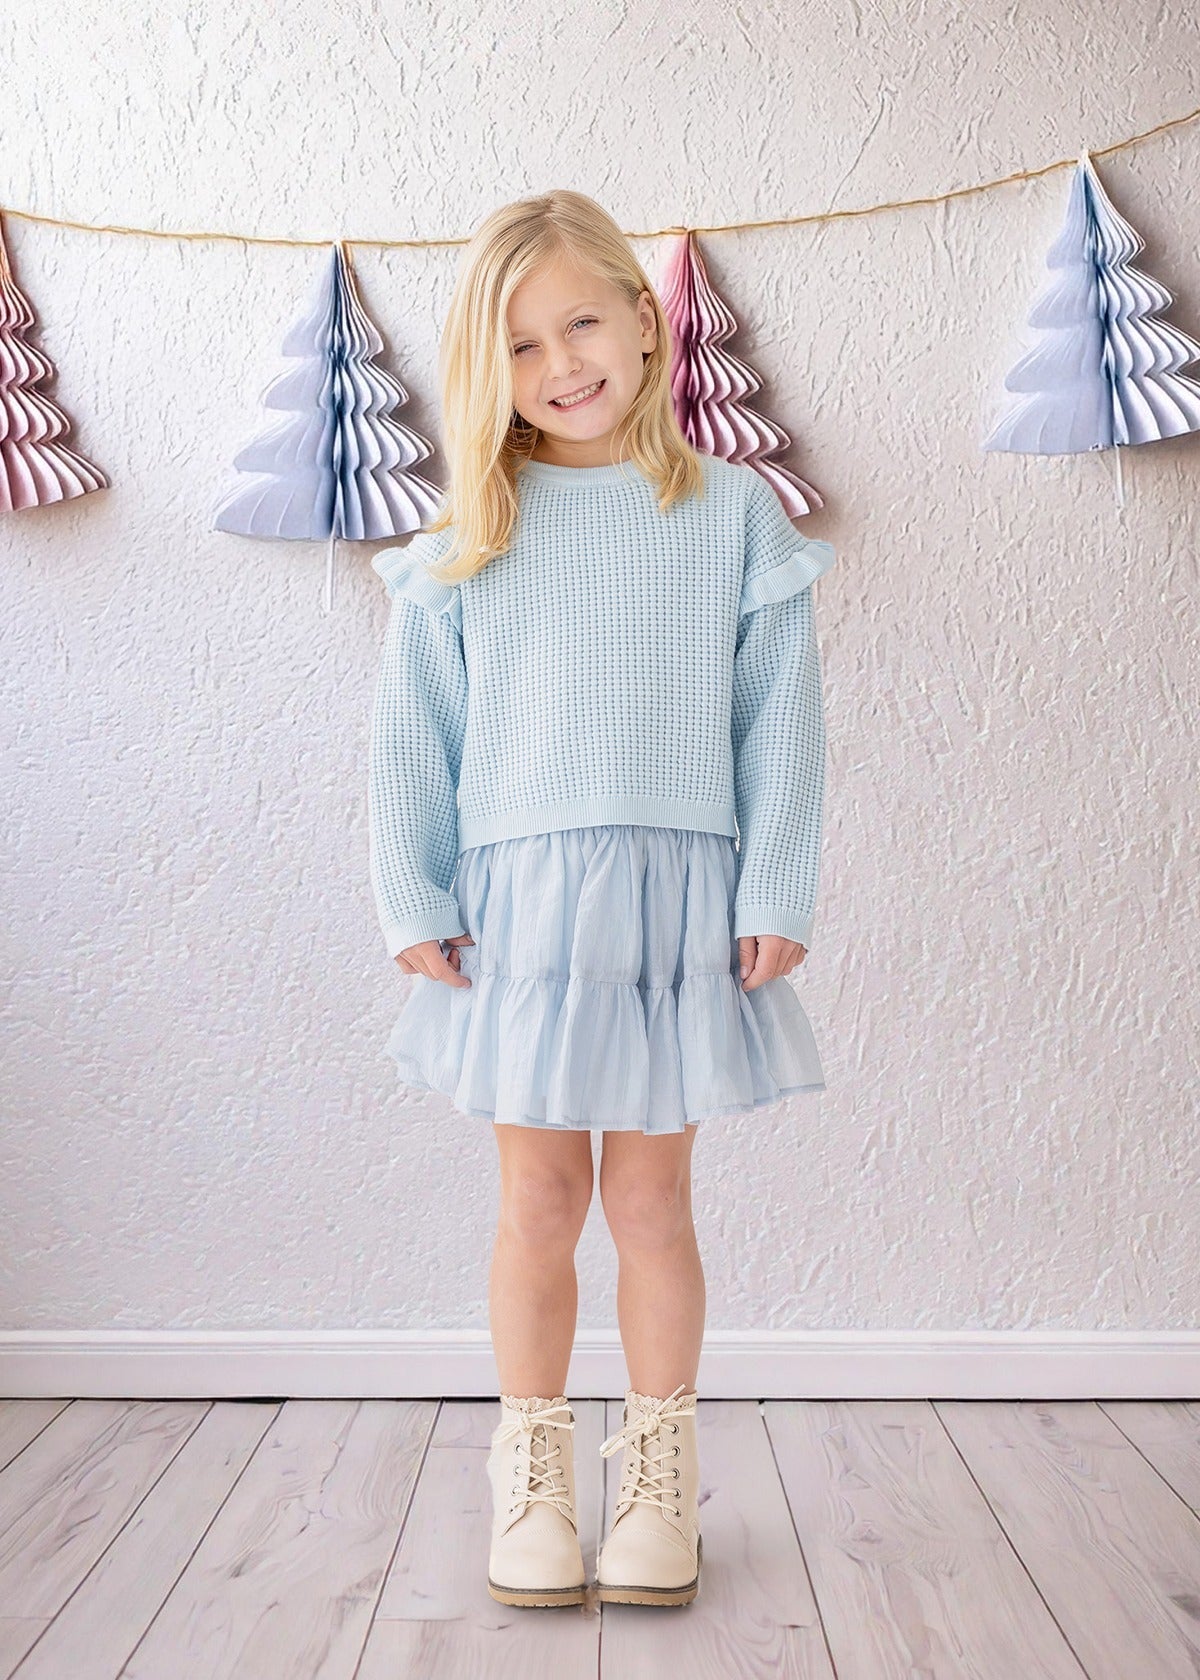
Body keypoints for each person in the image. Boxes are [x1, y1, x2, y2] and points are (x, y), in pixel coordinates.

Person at [366, 189, 835, 1610]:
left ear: (646, 318)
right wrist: (412, 893)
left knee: (651, 1200)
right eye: (519, 345)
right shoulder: (472, 533)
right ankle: (533, 1473)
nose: (560, 363)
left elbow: (782, 720)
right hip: (523, 907)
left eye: (582, 321)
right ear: (485, 371)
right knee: (537, 1193)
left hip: (677, 899)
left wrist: (781, 882)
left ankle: (660, 1480)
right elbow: (411, 734)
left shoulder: (730, 513)